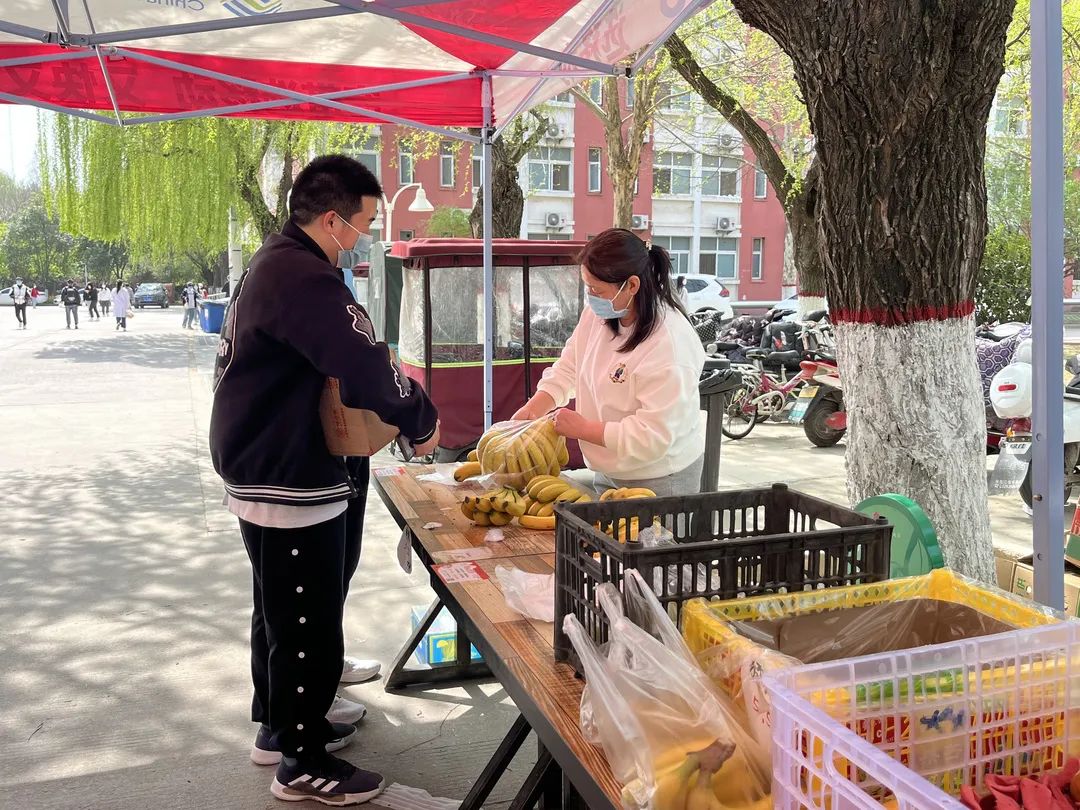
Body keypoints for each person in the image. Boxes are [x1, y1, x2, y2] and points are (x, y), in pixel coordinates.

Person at [209, 154, 440, 806]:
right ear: (333, 218)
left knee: (277, 606)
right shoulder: (306, 279)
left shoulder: (273, 260)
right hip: (286, 468)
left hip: (259, 458)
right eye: (362, 223)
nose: (363, 236)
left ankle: (279, 726)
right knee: (306, 615)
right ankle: (302, 761)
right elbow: (365, 366)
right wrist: (420, 419)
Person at [513, 229, 706, 497]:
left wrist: (583, 429)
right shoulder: (598, 314)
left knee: (652, 540)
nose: (590, 297)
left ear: (632, 285)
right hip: (608, 467)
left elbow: (653, 436)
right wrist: (536, 406)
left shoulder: (670, 344)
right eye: (587, 286)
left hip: (660, 477)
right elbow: (570, 365)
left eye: (597, 289)